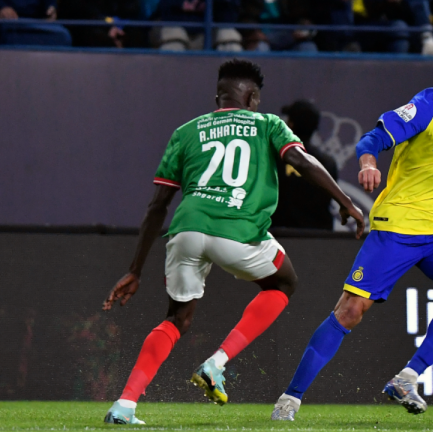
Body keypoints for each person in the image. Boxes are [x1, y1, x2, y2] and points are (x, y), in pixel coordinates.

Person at [271, 36, 433, 421]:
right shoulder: (425, 106)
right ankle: (289, 400)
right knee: (351, 310)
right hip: (399, 224)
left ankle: (407, 377)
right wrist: (369, 163)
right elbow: (371, 139)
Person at [101, 59, 364, 425]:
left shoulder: (186, 131)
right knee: (284, 282)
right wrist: (347, 202)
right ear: (253, 97)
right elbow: (302, 162)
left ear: (218, 97)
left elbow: (157, 206)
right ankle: (217, 362)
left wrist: (135, 270)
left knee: (177, 318)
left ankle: (124, 405)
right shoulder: (268, 123)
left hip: (186, 232)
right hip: (238, 233)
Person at [272, 99, 338, 230]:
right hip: (317, 240)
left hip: (280, 238)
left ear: (290, 125)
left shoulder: (273, 160)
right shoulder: (327, 164)